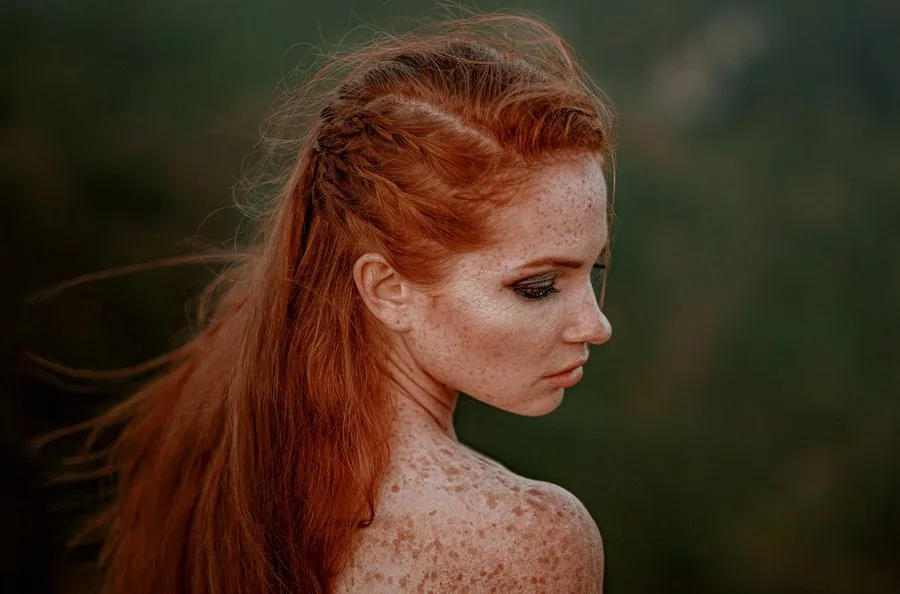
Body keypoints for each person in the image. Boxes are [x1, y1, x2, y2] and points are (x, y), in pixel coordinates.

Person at [36, 9, 616, 594]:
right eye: (537, 286)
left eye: (594, 271)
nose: (596, 326)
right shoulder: (526, 540)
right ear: (388, 290)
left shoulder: (224, 463)